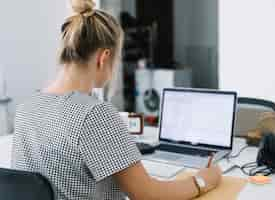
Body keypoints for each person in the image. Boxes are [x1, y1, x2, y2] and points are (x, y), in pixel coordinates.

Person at [11, 0, 222, 199]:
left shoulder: (27, 107)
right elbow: (147, 195)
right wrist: (203, 181)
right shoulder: (94, 114)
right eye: (117, 58)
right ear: (104, 58)